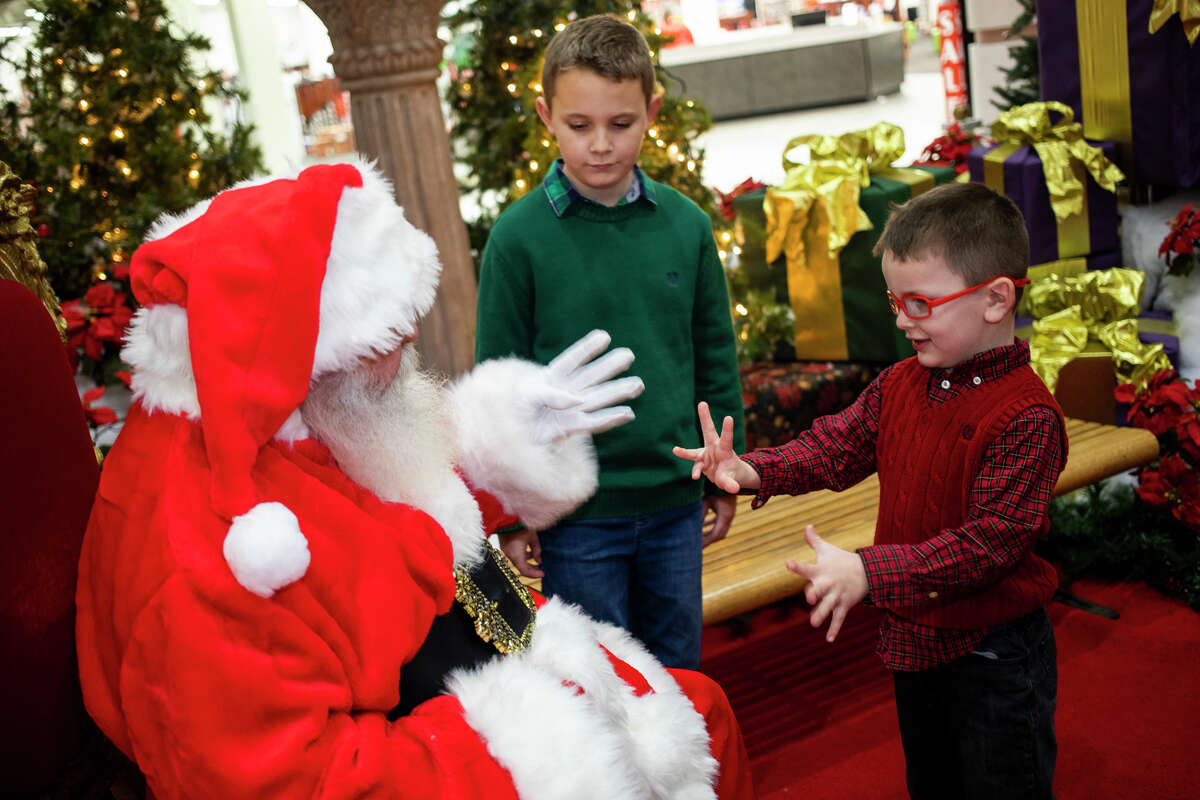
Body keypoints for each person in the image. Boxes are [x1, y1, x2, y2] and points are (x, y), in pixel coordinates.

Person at [75, 160, 756, 800]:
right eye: (381, 344)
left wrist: (498, 455)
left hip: (452, 665)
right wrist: (546, 732)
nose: (407, 357)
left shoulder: (279, 416)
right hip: (415, 741)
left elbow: (384, 522)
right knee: (690, 721)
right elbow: (300, 782)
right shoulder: (211, 556)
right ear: (297, 356)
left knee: (702, 706)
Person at [675, 181, 1066, 799]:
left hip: (995, 658)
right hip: (915, 642)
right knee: (933, 783)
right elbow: (836, 446)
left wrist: (869, 571)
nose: (901, 320)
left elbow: (988, 545)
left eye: (921, 303)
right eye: (894, 301)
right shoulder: (899, 383)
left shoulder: (1027, 417)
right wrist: (756, 470)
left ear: (995, 299)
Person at [475, 13, 745, 671]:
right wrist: (511, 513)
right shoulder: (517, 239)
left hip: (675, 505)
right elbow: (497, 386)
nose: (600, 144)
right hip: (576, 517)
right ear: (545, 116)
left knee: (679, 674)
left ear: (651, 111)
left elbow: (714, 353)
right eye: (579, 125)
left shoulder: (686, 225)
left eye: (620, 125)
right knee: (602, 682)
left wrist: (725, 471)